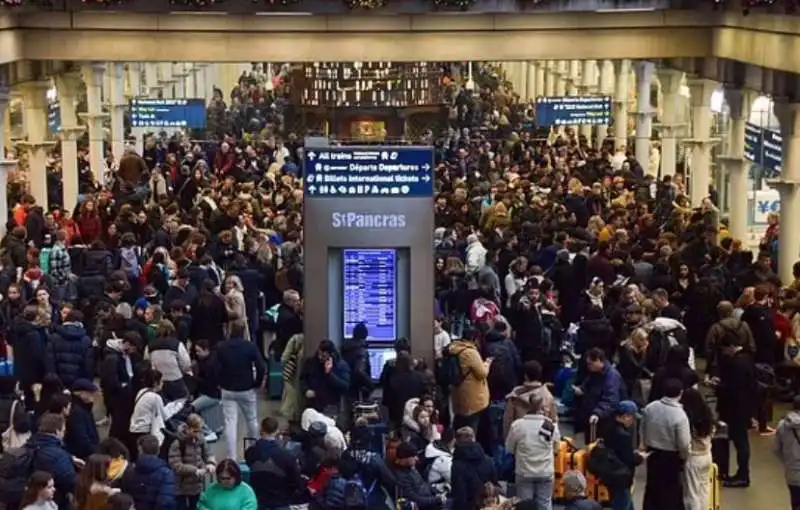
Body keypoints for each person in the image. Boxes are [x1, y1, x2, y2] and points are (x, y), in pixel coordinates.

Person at [711, 328, 756, 488]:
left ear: (730, 346)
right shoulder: (747, 359)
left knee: (740, 442)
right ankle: (742, 473)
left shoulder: (737, 363)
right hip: (743, 407)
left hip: (736, 409)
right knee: (741, 442)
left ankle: (743, 475)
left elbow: (733, 388)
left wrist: (717, 385)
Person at [214, 321, 266, 460]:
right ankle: (253, 452)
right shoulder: (250, 347)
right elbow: (261, 366)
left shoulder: (221, 347)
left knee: (230, 422)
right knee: (252, 420)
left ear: (230, 331)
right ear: (244, 331)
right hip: (246, 388)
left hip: (227, 388)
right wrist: (257, 383)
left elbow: (213, 367)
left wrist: (219, 382)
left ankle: (231, 456)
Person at [641, 378, 691, 510]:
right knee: (671, 491)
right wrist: (684, 457)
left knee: (652, 487)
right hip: (671, 457)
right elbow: (684, 443)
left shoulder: (650, 408)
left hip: (652, 453)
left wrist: (644, 445)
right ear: (680, 393)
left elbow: (642, 428)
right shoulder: (680, 415)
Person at [505, 393, 560, 510]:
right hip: (546, 471)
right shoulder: (551, 425)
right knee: (545, 504)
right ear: (542, 407)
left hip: (524, 471)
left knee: (525, 505)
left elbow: (509, 448)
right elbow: (556, 448)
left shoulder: (518, 425)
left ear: (528, 406)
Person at [244, 416, 305, 510]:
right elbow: (296, 481)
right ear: (277, 431)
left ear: (261, 429)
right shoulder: (286, 456)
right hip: (280, 501)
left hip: (258, 499)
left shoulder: (250, 452)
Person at [24, 413, 78, 510]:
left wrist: (69, 457)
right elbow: (70, 481)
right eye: (63, 431)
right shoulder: (58, 455)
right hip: (55, 501)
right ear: (57, 432)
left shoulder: (30, 444)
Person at [601, 401, 644, 510]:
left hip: (611, 474)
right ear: (625, 416)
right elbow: (629, 459)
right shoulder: (623, 435)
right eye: (632, 417)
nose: (633, 421)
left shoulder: (607, 427)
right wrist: (641, 457)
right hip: (621, 478)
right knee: (623, 504)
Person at [168, 414, 216, 510]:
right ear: (188, 428)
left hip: (196, 486)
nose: (198, 434)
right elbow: (176, 465)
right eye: (195, 431)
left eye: (200, 431)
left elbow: (208, 454)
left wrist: (211, 463)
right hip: (181, 487)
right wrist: (195, 470)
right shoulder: (178, 443)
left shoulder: (201, 441)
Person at [448, 329, 491, 437]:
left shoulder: (454, 349)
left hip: (458, 393)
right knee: (470, 428)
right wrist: (487, 363)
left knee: (459, 424)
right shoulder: (470, 352)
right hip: (473, 397)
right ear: (474, 339)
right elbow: (482, 373)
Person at [574, 348, 624, 438]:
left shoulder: (612, 376)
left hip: (604, 419)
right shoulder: (594, 373)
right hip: (591, 415)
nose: (588, 366)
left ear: (598, 360)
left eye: (590, 364)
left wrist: (597, 413)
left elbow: (610, 399)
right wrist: (581, 390)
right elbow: (586, 386)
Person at [502, 360, 557, 439]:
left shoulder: (515, 396)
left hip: (520, 440)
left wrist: (507, 441)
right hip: (541, 441)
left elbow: (508, 422)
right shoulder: (547, 396)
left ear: (525, 376)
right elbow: (554, 421)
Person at [121, 434, 177, 510]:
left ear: (140, 450)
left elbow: (125, 496)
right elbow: (165, 502)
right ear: (158, 450)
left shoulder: (129, 470)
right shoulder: (166, 474)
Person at [680, 388, 714, 510]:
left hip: (693, 458)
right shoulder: (707, 413)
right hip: (707, 455)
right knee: (704, 490)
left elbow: (684, 441)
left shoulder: (688, 418)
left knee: (692, 494)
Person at [44, 309, 94, 389]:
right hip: (78, 381)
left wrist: (52, 377)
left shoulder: (54, 337)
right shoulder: (86, 340)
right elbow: (88, 364)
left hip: (58, 381)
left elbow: (50, 360)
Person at [451, 426, 497, 510]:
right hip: (487, 505)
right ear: (474, 439)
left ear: (457, 442)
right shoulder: (488, 459)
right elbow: (494, 483)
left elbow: (459, 495)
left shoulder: (457, 464)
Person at [301, 339, 351, 414]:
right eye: (319, 354)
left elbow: (344, 387)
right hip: (313, 404)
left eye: (324, 355)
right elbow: (303, 378)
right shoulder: (311, 362)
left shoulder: (341, 366)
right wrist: (306, 390)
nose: (320, 357)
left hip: (331, 405)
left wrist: (329, 374)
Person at [393, 441, 448, 509]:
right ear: (405, 457)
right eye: (413, 456)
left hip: (431, 498)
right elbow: (415, 499)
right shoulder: (401, 477)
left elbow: (423, 485)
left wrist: (436, 490)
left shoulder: (411, 468)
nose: (417, 459)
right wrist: (436, 500)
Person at [129, 368, 167, 457]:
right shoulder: (155, 397)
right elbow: (163, 415)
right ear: (155, 383)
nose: (163, 383)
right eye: (161, 381)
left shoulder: (141, 392)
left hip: (134, 428)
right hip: (145, 431)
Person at [64, 379, 100, 461]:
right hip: (84, 456)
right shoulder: (77, 412)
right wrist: (97, 451)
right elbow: (81, 440)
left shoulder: (85, 408)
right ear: (81, 393)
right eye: (90, 393)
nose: (93, 395)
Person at [775, 394, 800, 509]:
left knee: (795, 502)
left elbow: (777, 450)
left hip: (792, 472)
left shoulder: (782, 425)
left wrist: (788, 460)